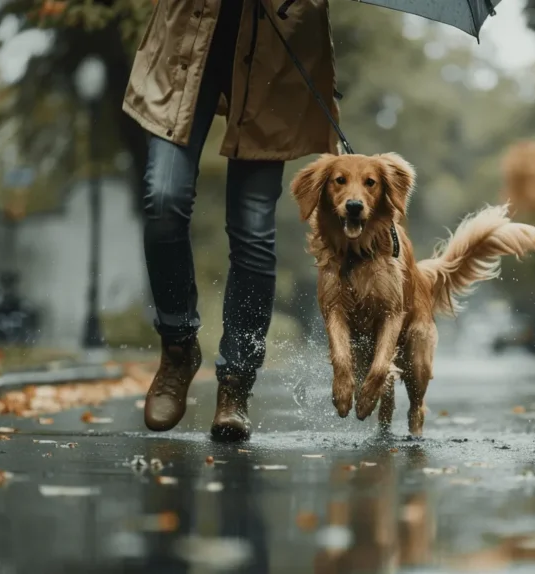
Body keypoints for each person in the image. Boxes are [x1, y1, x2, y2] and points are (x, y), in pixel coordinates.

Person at [122, 0, 340, 441]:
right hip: (186, 44)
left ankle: (237, 383)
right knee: (163, 198)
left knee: (253, 229)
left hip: (272, 59)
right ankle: (178, 346)